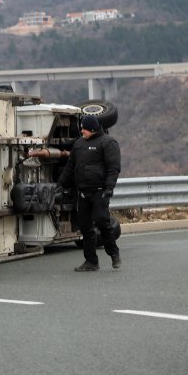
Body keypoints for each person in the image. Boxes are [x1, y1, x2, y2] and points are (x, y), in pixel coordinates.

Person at [57, 115, 122, 271]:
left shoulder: (108, 142)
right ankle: (91, 261)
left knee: (102, 222)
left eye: (84, 128)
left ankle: (114, 253)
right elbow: (70, 167)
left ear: (93, 129)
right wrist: (60, 184)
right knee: (85, 227)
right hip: (83, 192)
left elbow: (114, 168)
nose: (81, 131)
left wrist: (109, 188)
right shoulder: (79, 144)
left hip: (100, 191)